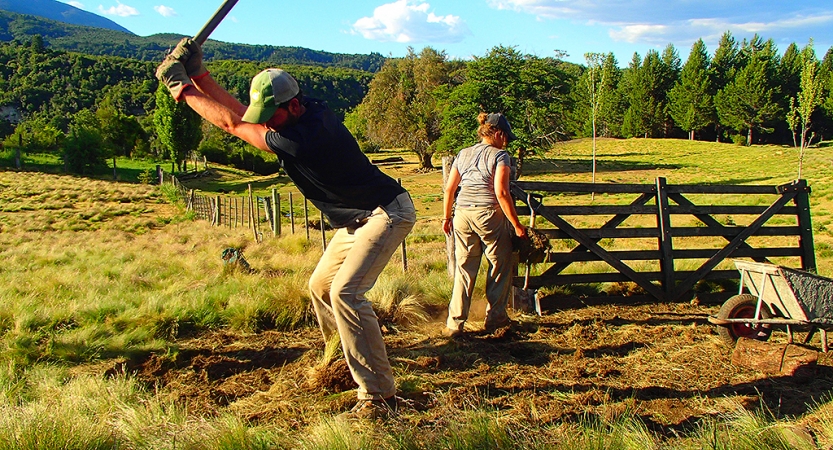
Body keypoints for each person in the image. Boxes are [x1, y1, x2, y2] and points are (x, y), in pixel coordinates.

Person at [155, 39, 416, 419]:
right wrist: (200, 75)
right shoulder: (300, 112)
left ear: (292, 107)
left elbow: (232, 124)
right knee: (320, 286)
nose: (266, 123)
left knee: (346, 293)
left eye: (271, 117)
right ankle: (339, 361)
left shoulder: (303, 138)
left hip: (385, 213)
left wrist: (182, 88)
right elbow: (245, 114)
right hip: (353, 220)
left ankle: (379, 396)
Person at [442, 112, 527, 338]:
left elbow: (450, 189)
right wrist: (517, 225)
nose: (507, 141)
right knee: (500, 263)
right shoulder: (500, 156)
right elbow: (501, 192)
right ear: (497, 134)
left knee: (464, 268)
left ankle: (455, 323)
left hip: (462, 214)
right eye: (506, 137)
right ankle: (495, 318)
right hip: (488, 214)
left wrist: (446, 217)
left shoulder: (463, 154)